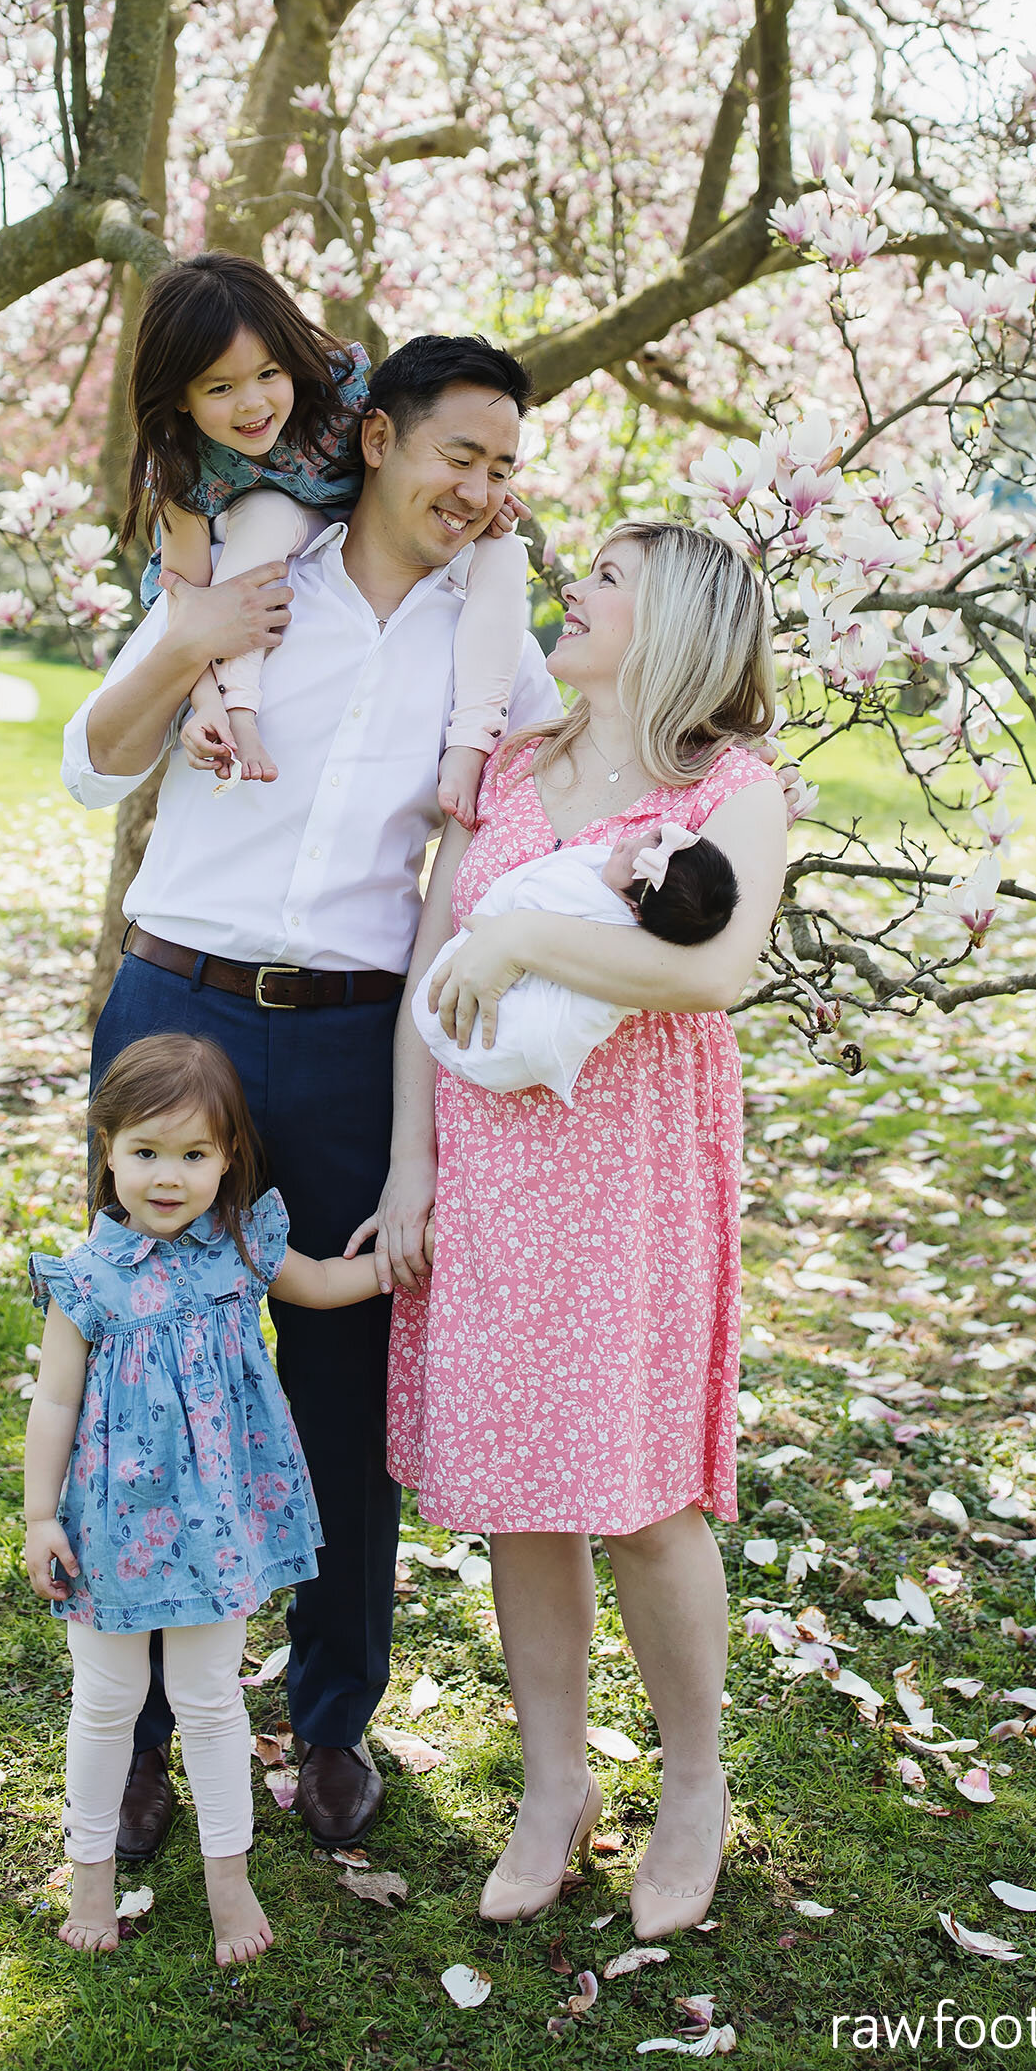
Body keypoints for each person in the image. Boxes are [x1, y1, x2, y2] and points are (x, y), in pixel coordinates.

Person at [60, 328, 560, 1856]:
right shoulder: (263, 564)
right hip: (180, 1008)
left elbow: (563, 785)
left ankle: (332, 1720)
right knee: (148, 1374)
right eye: (456, 454)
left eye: (503, 465)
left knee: (344, 1389)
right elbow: (94, 762)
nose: (478, 490)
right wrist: (182, 637)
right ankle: (136, 1733)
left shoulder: (494, 632)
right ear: (380, 439)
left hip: (352, 1034)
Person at [377, 523, 789, 1936]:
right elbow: (429, 978)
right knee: (519, 1490)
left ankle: (691, 1786)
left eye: (608, 579)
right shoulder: (505, 772)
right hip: (490, 1172)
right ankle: (555, 1786)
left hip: (631, 1173)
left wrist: (525, 939)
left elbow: (717, 969)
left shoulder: (734, 790)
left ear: (675, 620)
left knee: (643, 1499)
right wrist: (411, 1166)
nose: (574, 591)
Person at [22, 1033, 384, 1962]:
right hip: (114, 1531)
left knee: (211, 1699)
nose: (169, 1177)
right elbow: (56, 1400)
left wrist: (398, 1262)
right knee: (105, 1701)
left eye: (194, 1154)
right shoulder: (86, 1278)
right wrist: (37, 1517)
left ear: (230, 1159)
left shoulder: (242, 1249)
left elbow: (325, 1284)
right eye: (145, 1152)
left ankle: (230, 1879)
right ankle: (90, 1874)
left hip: (220, 1524)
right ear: (107, 1152)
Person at [121, 250, 530, 825]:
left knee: (505, 553)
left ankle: (469, 743)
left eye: (268, 374)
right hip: (279, 533)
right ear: (179, 398)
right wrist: (206, 705)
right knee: (263, 510)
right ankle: (243, 708)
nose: (253, 404)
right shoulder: (182, 472)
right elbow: (188, 609)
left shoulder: (340, 394)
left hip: (361, 525)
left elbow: (414, 449)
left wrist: (477, 489)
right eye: (219, 388)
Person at [414, 820, 739, 1105]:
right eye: (633, 842)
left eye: (626, 859)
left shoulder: (594, 904)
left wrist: (512, 933)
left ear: (636, 911)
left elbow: (536, 895)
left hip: (533, 1048)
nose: (622, 843)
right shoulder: (614, 878)